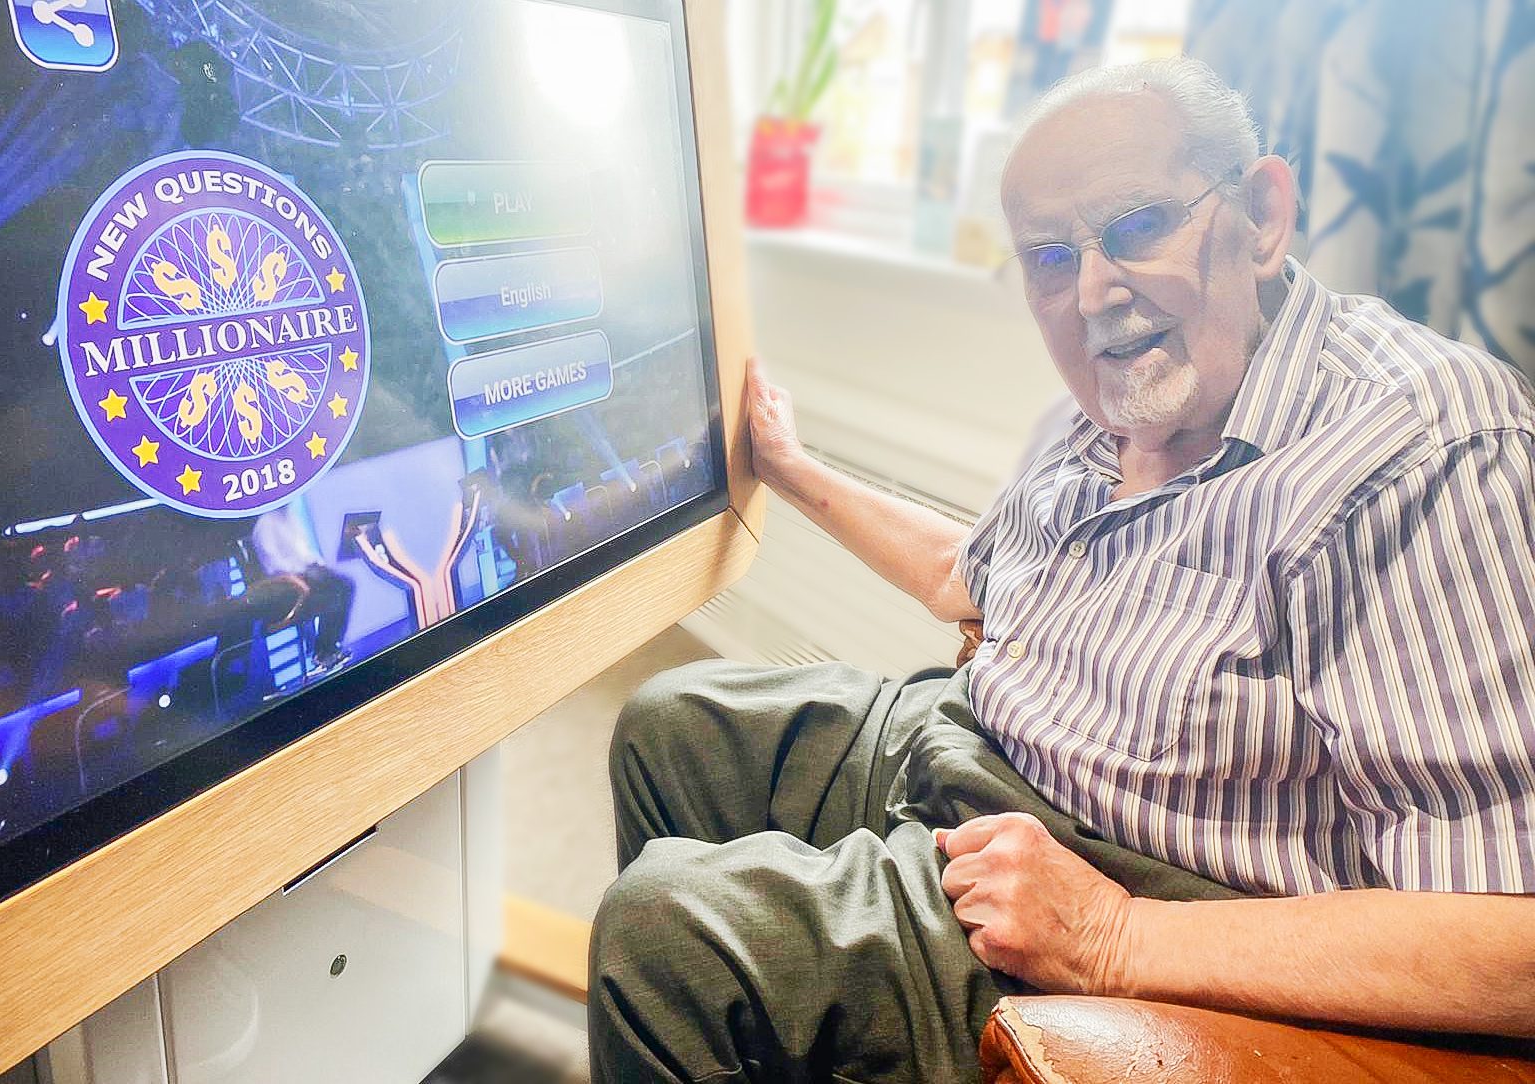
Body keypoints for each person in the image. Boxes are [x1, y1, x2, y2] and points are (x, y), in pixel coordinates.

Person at [588, 56, 1535, 1082]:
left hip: (1130, 872)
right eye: (1049, 256)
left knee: (666, 940)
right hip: (976, 743)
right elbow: (975, 574)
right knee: (669, 727)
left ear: (1262, 214)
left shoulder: (1421, 448)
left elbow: (1510, 940)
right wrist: (788, 468)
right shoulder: (1105, 407)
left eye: (1136, 227)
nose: (1091, 293)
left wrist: (1114, 935)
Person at [248, 505, 354, 673]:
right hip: (285, 588)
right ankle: (323, 653)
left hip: (305, 576)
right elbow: (273, 565)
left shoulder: (291, 517)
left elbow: (303, 552)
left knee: (346, 586)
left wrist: (318, 565)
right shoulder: (265, 524)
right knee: (331, 598)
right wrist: (301, 572)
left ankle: (330, 646)